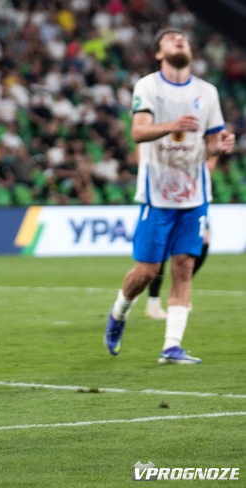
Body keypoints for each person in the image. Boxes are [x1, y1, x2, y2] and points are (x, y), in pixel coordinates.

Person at [104, 28, 235, 364]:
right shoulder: (148, 86)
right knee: (147, 271)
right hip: (157, 195)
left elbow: (210, 143)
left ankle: (171, 346)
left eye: (184, 38)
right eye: (171, 38)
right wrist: (172, 125)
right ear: (159, 53)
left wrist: (220, 146)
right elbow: (138, 132)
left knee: (184, 267)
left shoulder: (207, 92)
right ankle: (119, 312)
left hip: (195, 195)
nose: (180, 40)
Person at [144, 154, 218, 319]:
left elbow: (209, 166)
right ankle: (153, 303)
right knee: (161, 251)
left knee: (204, 241)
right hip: (167, 201)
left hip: (192, 202)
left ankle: (180, 288)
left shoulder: (201, 147)